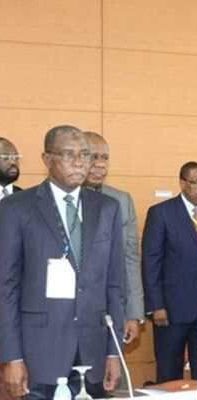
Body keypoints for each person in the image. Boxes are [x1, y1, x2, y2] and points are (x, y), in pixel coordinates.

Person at [0, 125, 124, 399]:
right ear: (47, 159)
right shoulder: (16, 208)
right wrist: (11, 356)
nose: (79, 162)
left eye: (85, 154)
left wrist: (114, 352)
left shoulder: (107, 208)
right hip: (38, 353)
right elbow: (5, 287)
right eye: (69, 154)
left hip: (93, 351)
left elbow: (115, 284)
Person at [142, 161, 197, 382]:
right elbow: (151, 262)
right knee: (169, 374)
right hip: (171, 310)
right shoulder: (161, 213)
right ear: (182, 183)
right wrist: (156, 305)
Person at [83, 131, 144, 343]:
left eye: (105, 158)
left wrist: (133, 313)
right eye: (93, 157)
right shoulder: (54, 199)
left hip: (110, 308)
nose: (100, 165)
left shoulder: (121, 201)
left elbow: (130, 258)